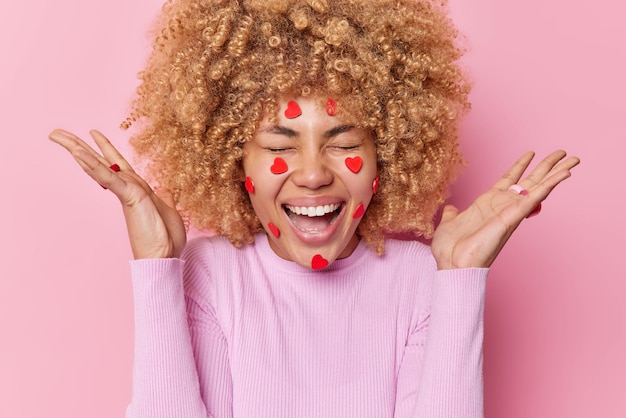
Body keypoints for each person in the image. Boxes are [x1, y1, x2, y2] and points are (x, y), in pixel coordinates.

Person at [49, 0, 579, 417]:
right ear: (236, 164)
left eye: (344, 142)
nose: (311, 173)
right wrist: (157, 268)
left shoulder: (423, 279)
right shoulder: (206, 274)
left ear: (385, 158)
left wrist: (461, 280)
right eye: (280, 147)